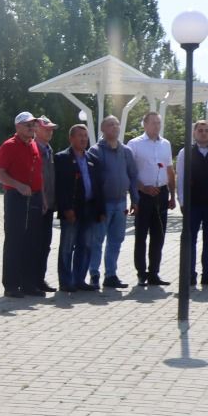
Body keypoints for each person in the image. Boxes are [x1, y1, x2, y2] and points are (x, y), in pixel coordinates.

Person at [0, 112, 45, 298]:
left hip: (35, 197)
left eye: (33, 125)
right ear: (17, 127)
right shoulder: (9, 145)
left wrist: (43, 198)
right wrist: (17, 184)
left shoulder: (33, 144)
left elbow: (39, 173)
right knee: (15, 241)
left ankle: (28, 283)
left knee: (32, 241)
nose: (31, 128)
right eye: (27, 125)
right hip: (16, 197)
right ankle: (11, 285)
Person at [174, 120, 208, 288]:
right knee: (190, 240)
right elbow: (181, 179)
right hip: (193, 205)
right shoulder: (185, 153)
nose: (203, 133)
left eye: (206, 130)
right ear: (194, 133)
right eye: (200, 130)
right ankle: (189, 275)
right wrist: (182, 201)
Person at [53, 124, 106, 293]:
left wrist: (101, 210)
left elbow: (99, 186)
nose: (84, 139)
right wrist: (66, 208)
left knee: (86, 245)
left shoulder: (93, 160)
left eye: (85, 135)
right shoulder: (62, 158)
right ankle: (65, 281)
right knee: (67, 246)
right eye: (80, 135)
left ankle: (79, 280)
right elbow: (60, 187)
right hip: (71, 210)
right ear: (71, 138)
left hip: (90, 210)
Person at [128, 111, 176, 287]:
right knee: (141, 235)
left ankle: (154, 272)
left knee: (159, 235)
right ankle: (142, 273)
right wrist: (142, 188)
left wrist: (172, 195)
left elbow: (170, 170)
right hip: (143, 194)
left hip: (161, 194)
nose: (157, 126)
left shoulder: (165, 144)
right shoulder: (135, 144)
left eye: (159, 122)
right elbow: (131, 173)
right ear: (145, 124)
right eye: (153, 123)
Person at [89, 117, 137, 289]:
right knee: (97, 240)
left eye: (117, 124)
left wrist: (135, 200)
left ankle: (111, 275)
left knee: (116, 240)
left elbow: (132, 176)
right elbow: (93, 180)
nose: (115, 127)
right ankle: (94, 274)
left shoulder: (126, 151)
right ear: (102, 128)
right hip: (103, 204)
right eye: (110, 125)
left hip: (121, 203)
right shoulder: (95, 151)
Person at [31, 115, 58, 292]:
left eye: (51, 129)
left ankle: (40, 278)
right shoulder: (33, 148)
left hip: (49, 204)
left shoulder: (48, 149)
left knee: (45, 244)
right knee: (35, 243)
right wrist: (42, 198)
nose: (49, 131)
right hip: (37, 203)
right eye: (45, 128)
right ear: (36, 129)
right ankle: (31, 280)